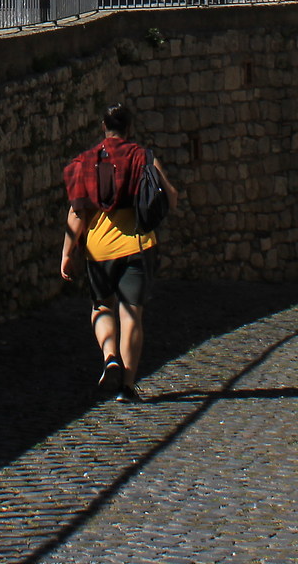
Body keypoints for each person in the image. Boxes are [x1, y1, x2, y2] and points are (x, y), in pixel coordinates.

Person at [61, 103, 178, 400]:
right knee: (131, 315)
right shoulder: (143, 157)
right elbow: (171, 198)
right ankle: (127, 385)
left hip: (98, 251)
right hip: (138, 246)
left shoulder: (85, 162)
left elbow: (77, 214)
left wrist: (66, 253)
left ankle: (109, 356)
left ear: (104, 127)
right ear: (130, 128)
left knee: (101, 307)